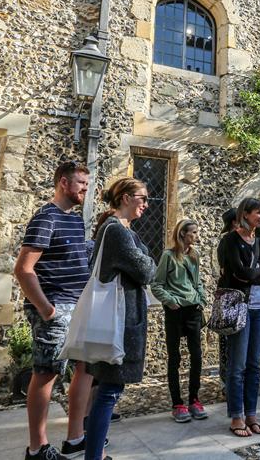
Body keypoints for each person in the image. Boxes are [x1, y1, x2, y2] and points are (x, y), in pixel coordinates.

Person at [14, 162, 95, 460]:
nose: (86, 188)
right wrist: (48, 311)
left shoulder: (75, 220)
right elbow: (23, 270)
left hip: (78, 307)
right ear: (64, 183)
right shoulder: (45, 218)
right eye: (81, 183)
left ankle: (76, 438)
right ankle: (37, 449)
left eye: (87, 183)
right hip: (55, 308)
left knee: (85, 369)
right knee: (46, 374)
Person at [83, 178, 158, 460]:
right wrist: (146, 259)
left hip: (122, 317)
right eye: (143, 198)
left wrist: (145, 258)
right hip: (119, 321)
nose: (146, 204)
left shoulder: (123, 231)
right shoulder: (116, 231)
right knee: (109, 392)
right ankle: (94, 456)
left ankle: (96, 454)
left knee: (107, 389)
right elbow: (148, 269)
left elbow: (146, 260)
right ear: (126, 198)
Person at [218, 198, 260, 437]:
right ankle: (236, 417)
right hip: (238, 307)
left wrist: (254, 274)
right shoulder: (230, 240)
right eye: (257, 213)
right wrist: (255, 273)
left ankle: (251, 414)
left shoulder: (259, 242)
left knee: (254, 365)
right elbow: (240, 273)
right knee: (237, 366)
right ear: (245, 214)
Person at [152, 219, 209, 423]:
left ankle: (194, 399)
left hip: (193, 310)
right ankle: (177, 403)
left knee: (197, 356)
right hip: (175, 312)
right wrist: (171, 301)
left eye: (196, 232)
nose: (196, 235)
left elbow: (198, 281)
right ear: (182, 233)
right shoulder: (168, 256)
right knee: (174, 358)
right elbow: (156, 285)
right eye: (193, 232)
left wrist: (201, 299)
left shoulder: (194, 255)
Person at [215, 208, 237, 390]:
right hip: (229, 296)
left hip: (239, 297)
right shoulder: (226, 242)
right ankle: (226, 379)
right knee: (227, 340)